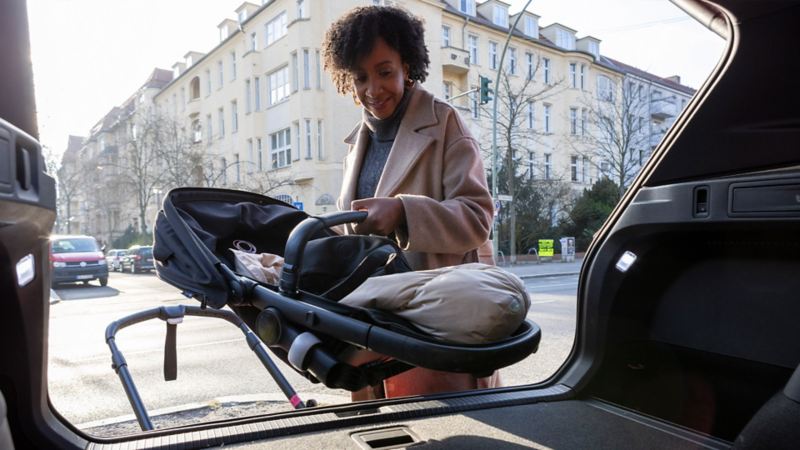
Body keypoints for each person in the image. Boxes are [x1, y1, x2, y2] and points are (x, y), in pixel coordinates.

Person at [321, 5, 498, 400]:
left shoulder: (445, 123)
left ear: (407, 65)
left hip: (433, 330)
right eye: (360, 77)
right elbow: (351, 230)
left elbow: (477, 217)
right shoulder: (356, 143)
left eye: (384, 72)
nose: (372, 89)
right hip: (371, 332)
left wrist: (403, 212)